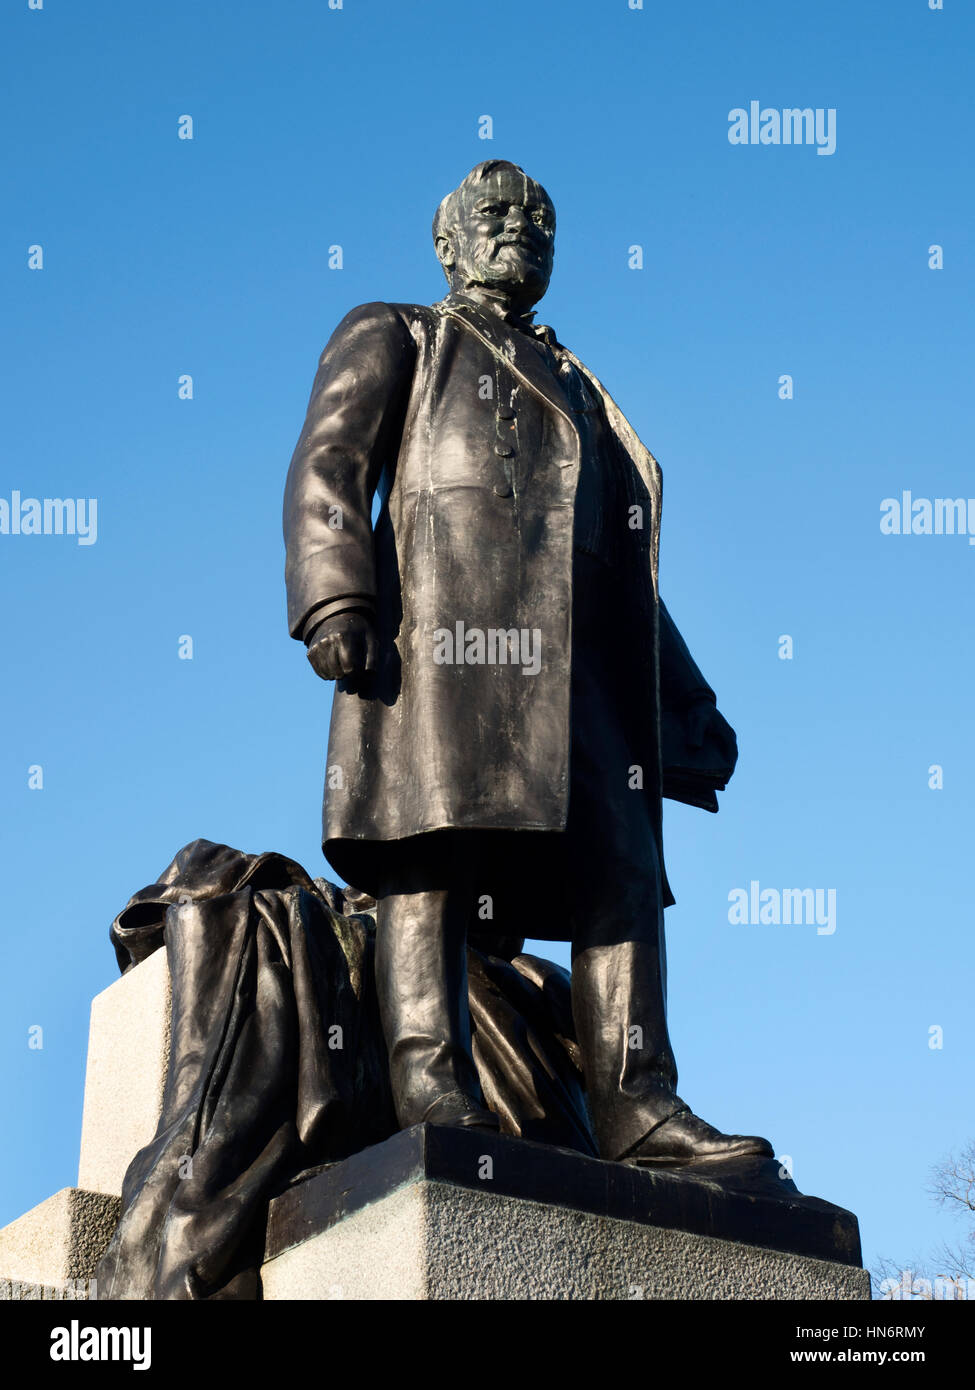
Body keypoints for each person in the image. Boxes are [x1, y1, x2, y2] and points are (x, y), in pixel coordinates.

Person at [283, 160, 773, 1165]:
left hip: (576, 677)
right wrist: (337, 595)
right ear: (446, 242)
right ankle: (432, 1081)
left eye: (539, 218)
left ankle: (638, 1102)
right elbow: (329, 462)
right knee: (433, 851)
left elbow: (618, 570)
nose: (520, 229)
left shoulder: (581, 388)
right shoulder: (400, 334)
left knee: (624, 876)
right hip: (437, 651)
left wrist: (686, 699)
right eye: (495, 214)